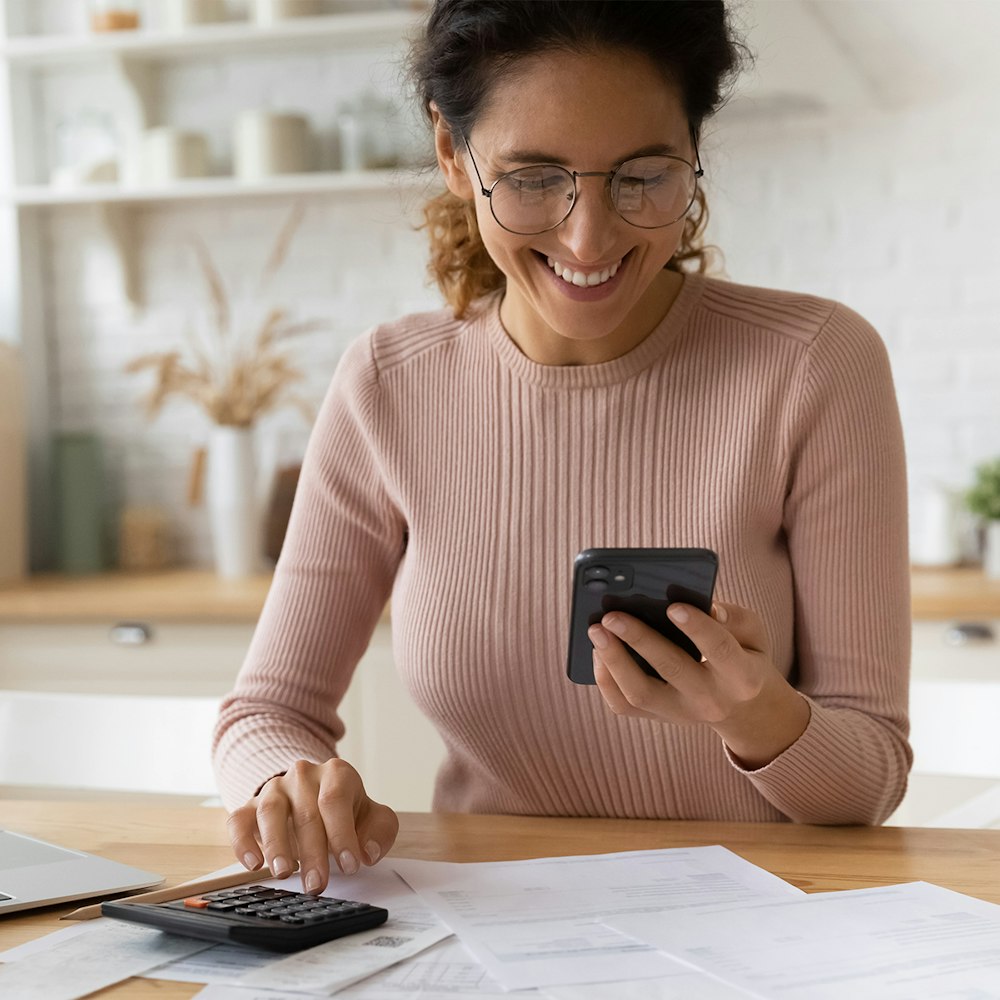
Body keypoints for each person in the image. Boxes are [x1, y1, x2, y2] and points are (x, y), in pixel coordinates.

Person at [213, 0, 911, 895]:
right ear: (451, 154)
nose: (589, 237)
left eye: (642, 175)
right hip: (490, 922)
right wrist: (286, 782)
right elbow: (265, 713)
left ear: (694, 150)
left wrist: (757, 713)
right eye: (534, 177)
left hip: (759, 919)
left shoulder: (813, 363)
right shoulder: (388, 384)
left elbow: (869, 779)